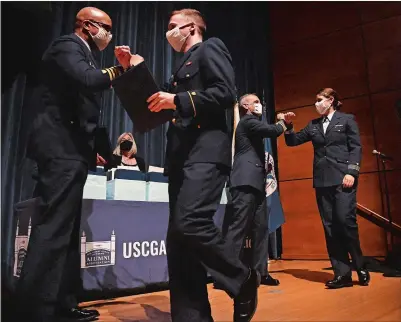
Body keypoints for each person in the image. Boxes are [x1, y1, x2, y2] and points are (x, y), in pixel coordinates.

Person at [16, 7, 143, 322]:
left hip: (73, 151)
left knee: (68, 231)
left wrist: (96, 151)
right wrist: (120, 69)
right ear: (88, 25)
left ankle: (63, 303)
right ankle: (35, 310)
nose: (110, 35)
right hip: (58, 150)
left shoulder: (84, 54)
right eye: (107, 28)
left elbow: (81, 108)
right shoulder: (67, 46)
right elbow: (88, 81)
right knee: (53, 229)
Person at [147, 9, 260, 322]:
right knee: (179, 241)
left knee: (190, 223)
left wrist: (177, 101)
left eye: (172, 26)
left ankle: (242, 277)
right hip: (181, 157)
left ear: (191, 26)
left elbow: (226, 93)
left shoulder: (210, 48)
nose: (168, 32)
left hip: (206, 152)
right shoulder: (180, 65)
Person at [283, 88, 370, 289]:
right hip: (322, 181)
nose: (317, 104)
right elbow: (293, 141)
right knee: (330, 227)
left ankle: (360, 265)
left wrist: (352, 172)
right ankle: (342, 275)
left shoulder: (346, 119)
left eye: (320, 100)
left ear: (330, 100)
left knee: (345, 222)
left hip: (343, 178)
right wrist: (288, 126)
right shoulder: (313, 125)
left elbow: (355, 147)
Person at [222, 94, 289, 287]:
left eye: (260, 101)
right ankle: (226, 274)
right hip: (244, 182)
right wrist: (283, 122)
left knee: (261, 229)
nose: (260, 105)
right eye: (256, 102)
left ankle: (261, 273)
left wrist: (286, 125)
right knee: (238, 228)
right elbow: (273, 131)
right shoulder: (248, 122)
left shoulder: (253, 123)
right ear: (245, 106)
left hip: (258, 184)